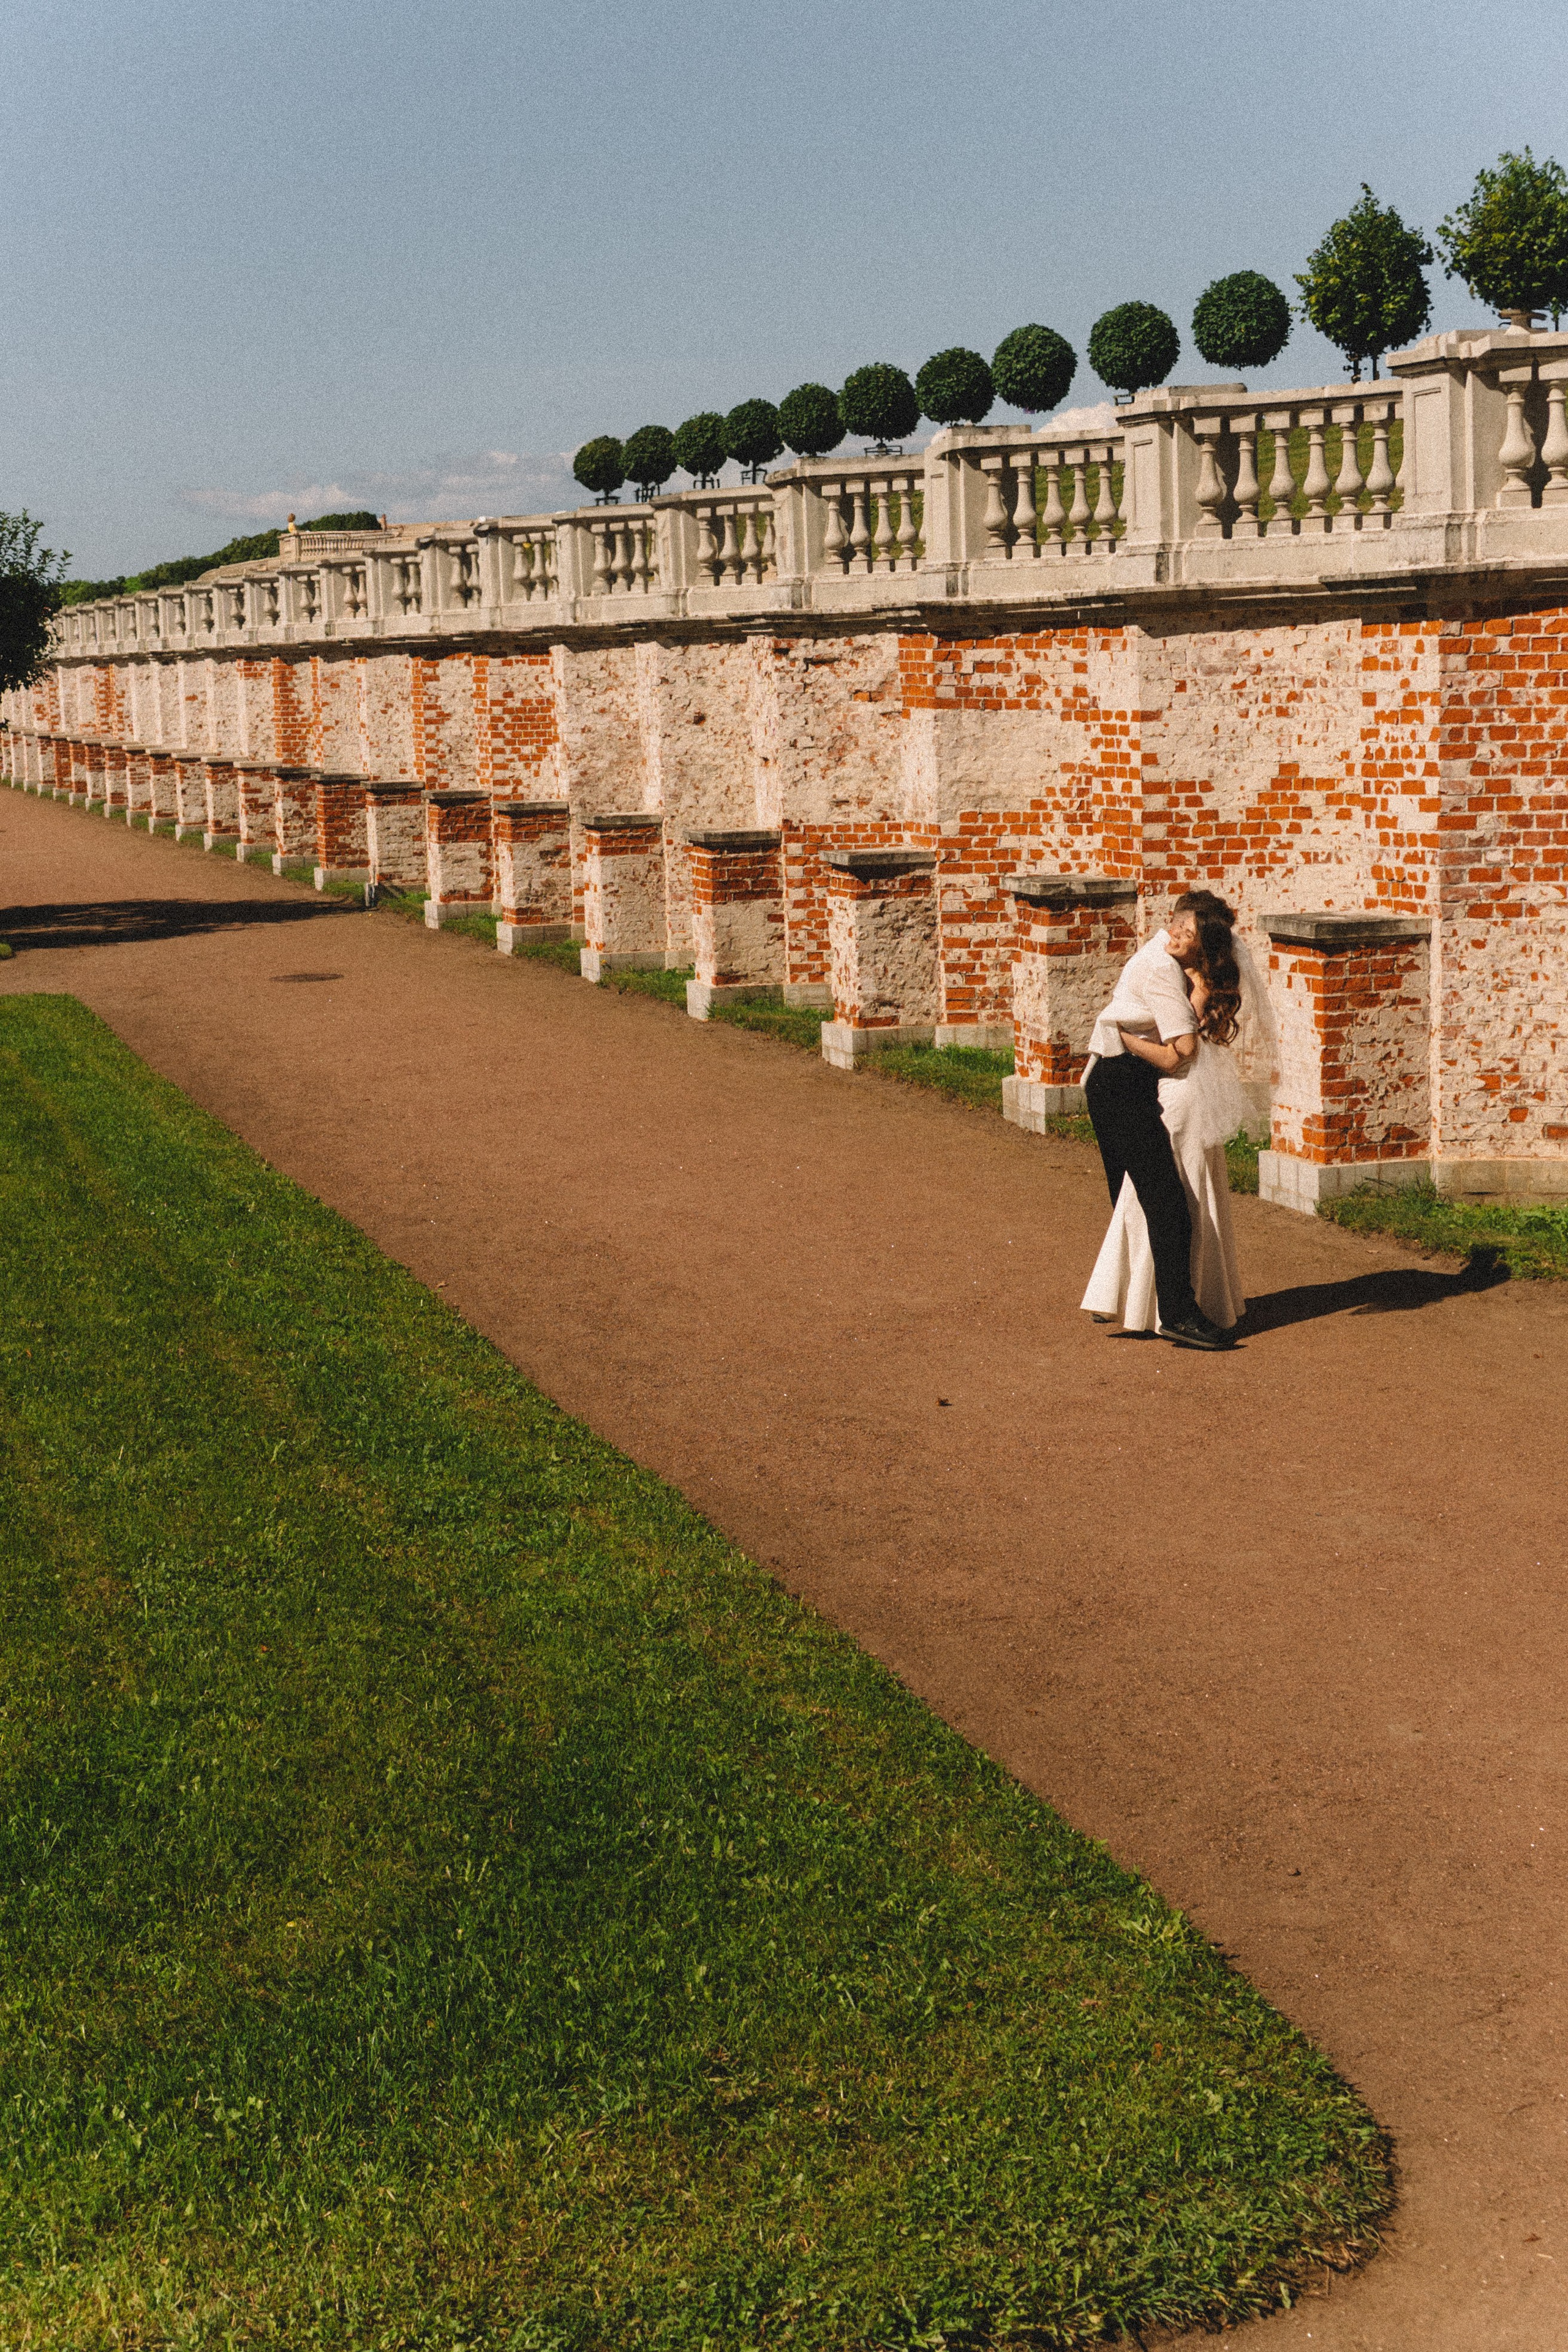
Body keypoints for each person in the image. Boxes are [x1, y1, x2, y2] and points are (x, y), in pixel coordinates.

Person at [1079, 892, 1245, 1351]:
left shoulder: (1174, 967)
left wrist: (1131, 1039)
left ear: (1202, 948)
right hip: (1119, 1083)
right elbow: (1182, 1053)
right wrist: (1129, 1042)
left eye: (1188, 934)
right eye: (1177, 925)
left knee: (1138, 1195)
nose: (1176, 934)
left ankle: (1135, 1300)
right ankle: (1178, 1315)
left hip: (1121, 1079)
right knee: (1166, 1202)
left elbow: (1181, 1043)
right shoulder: (1159, 966)